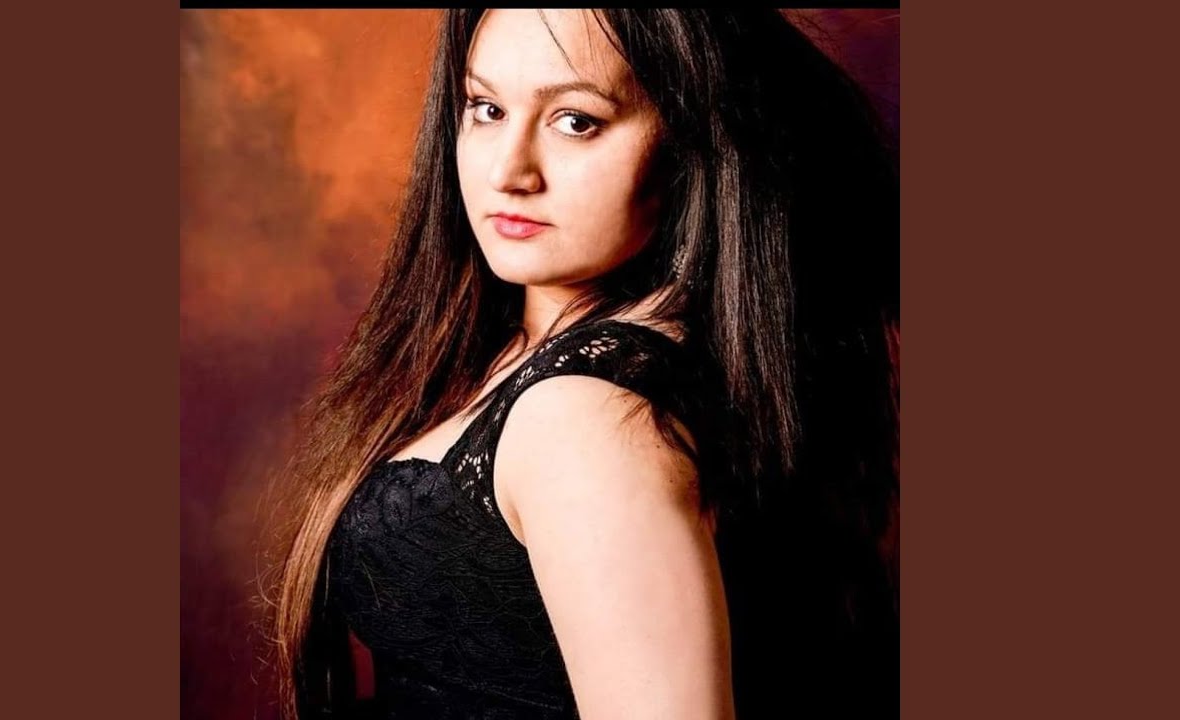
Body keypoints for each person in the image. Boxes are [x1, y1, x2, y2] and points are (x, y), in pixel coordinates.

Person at [265, 8, 898, 719]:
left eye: (576, 122)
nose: (509, 171)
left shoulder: (589, 418)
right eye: (487, 108)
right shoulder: (532, 351)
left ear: (688, 140)